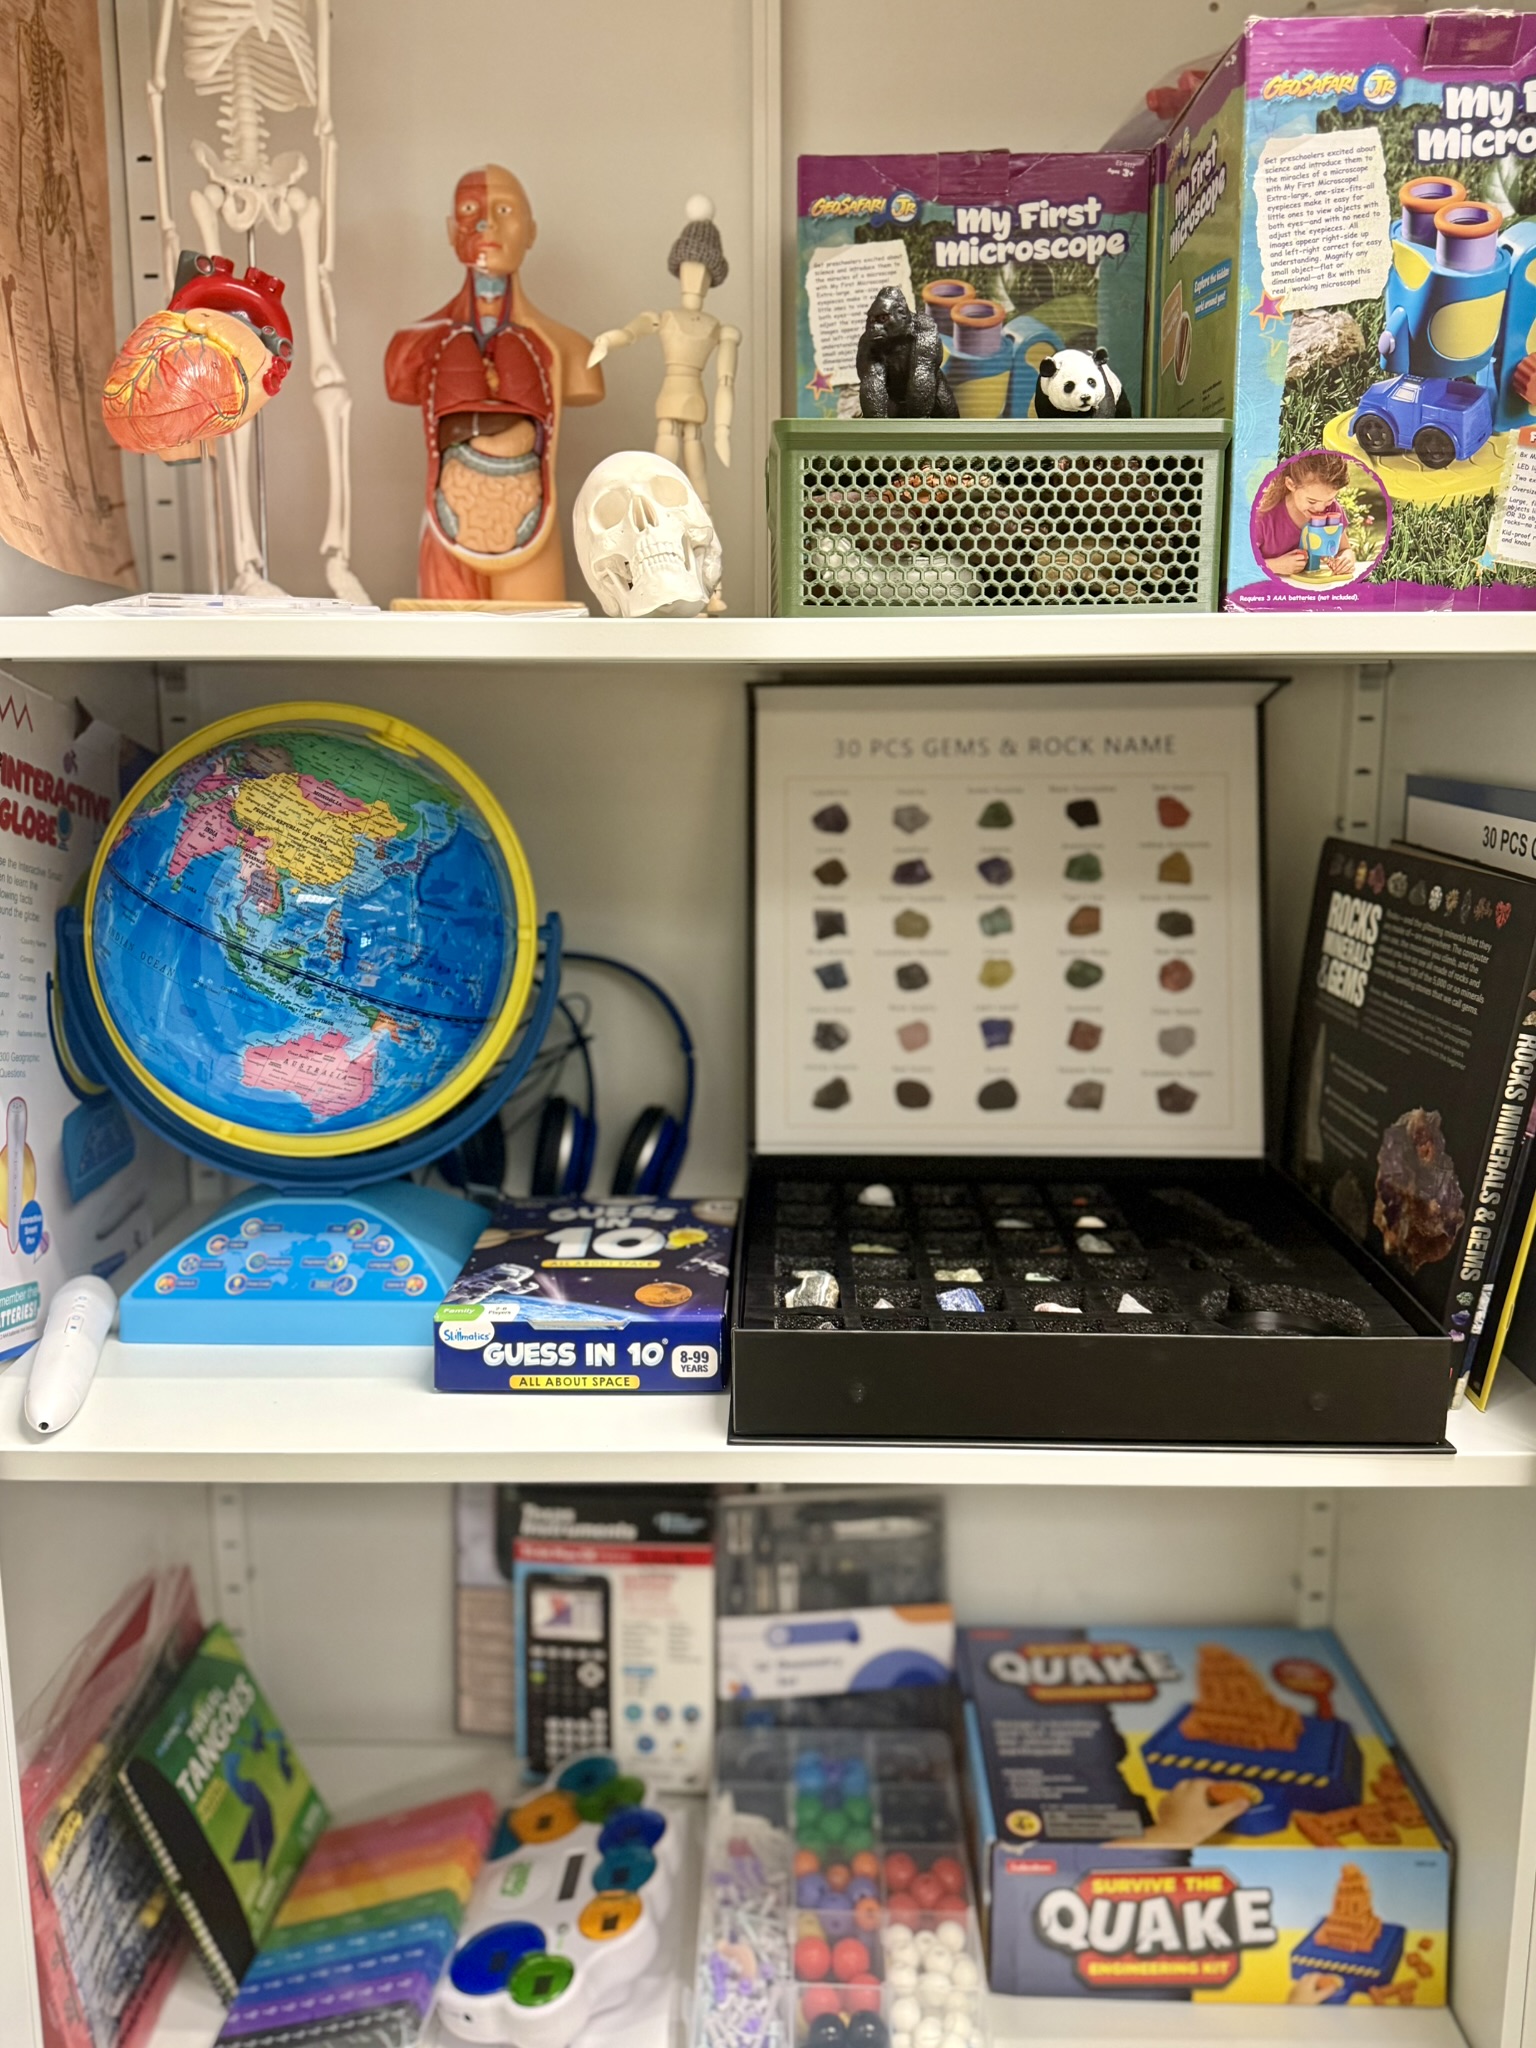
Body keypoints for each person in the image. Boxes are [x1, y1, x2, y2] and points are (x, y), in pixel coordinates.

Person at [385, 166, 603, 602]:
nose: (486, 224)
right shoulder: (410, 348)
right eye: (470, 210)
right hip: (449, 526)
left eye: (504, 209)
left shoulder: (574, 352)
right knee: (442, 661)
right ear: (452, 231)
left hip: (531, 527)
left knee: (536, 658)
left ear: (531, 230)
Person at [1253, 452, 1356, 580]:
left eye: (1329, 500)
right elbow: (1239, 565)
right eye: (1312, 501)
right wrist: (1275, 566)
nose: (1320, 509)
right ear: (1291, 484)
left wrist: (1345, 559)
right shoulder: (1263, 516)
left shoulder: (1332, 510)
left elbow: (1345, 549)